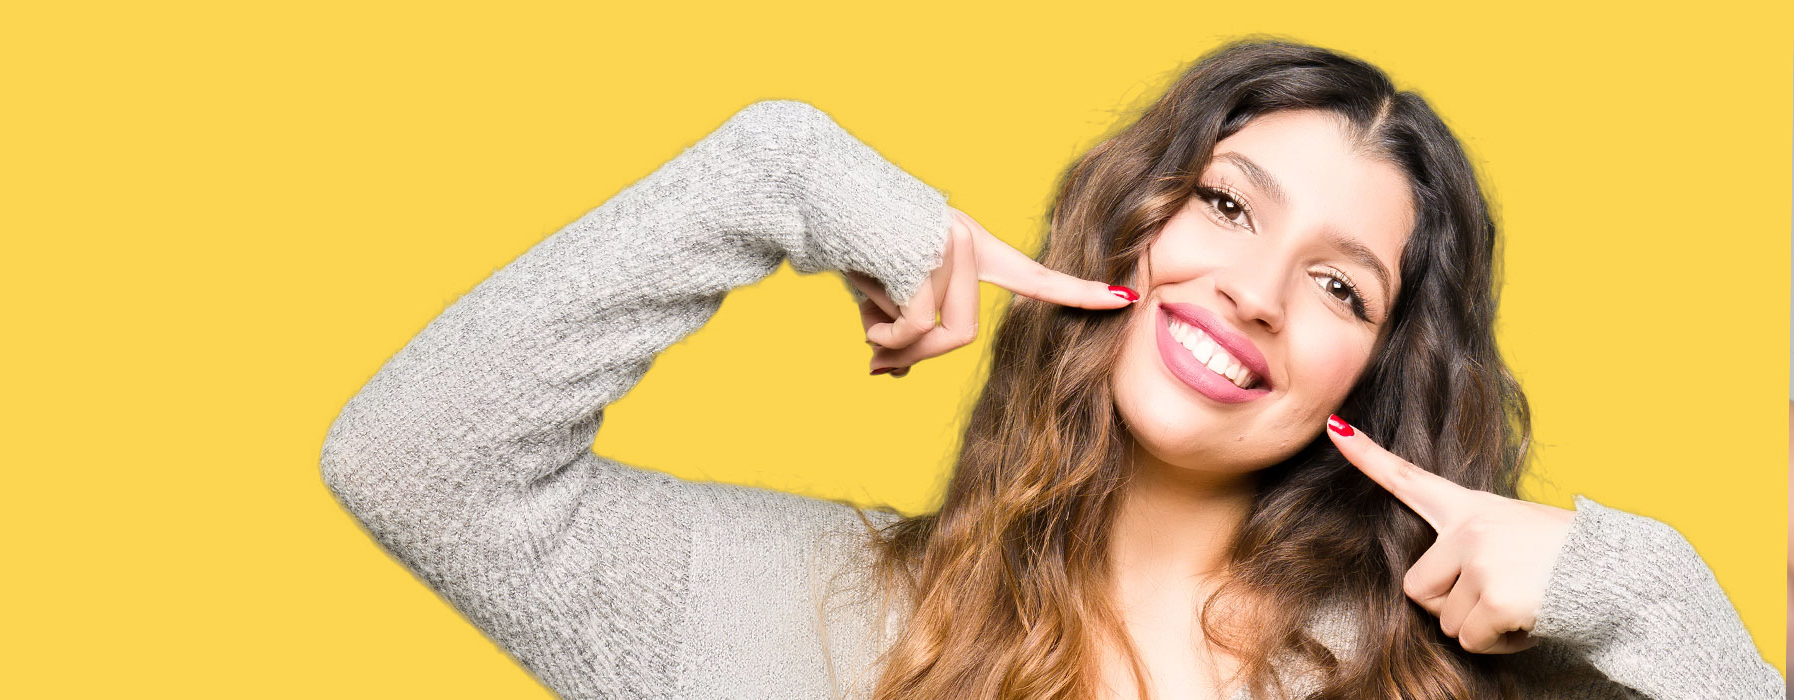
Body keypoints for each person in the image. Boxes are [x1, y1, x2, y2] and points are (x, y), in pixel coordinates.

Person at [319, 40, 1783, 700]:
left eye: (1340, 285)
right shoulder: (789, 618)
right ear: (1134, 222)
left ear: (1371, 374)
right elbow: (414, 465)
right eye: (1226, 206)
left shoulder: (1443, 686)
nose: (1256, 293)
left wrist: (1646, 592)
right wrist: (781, 172)